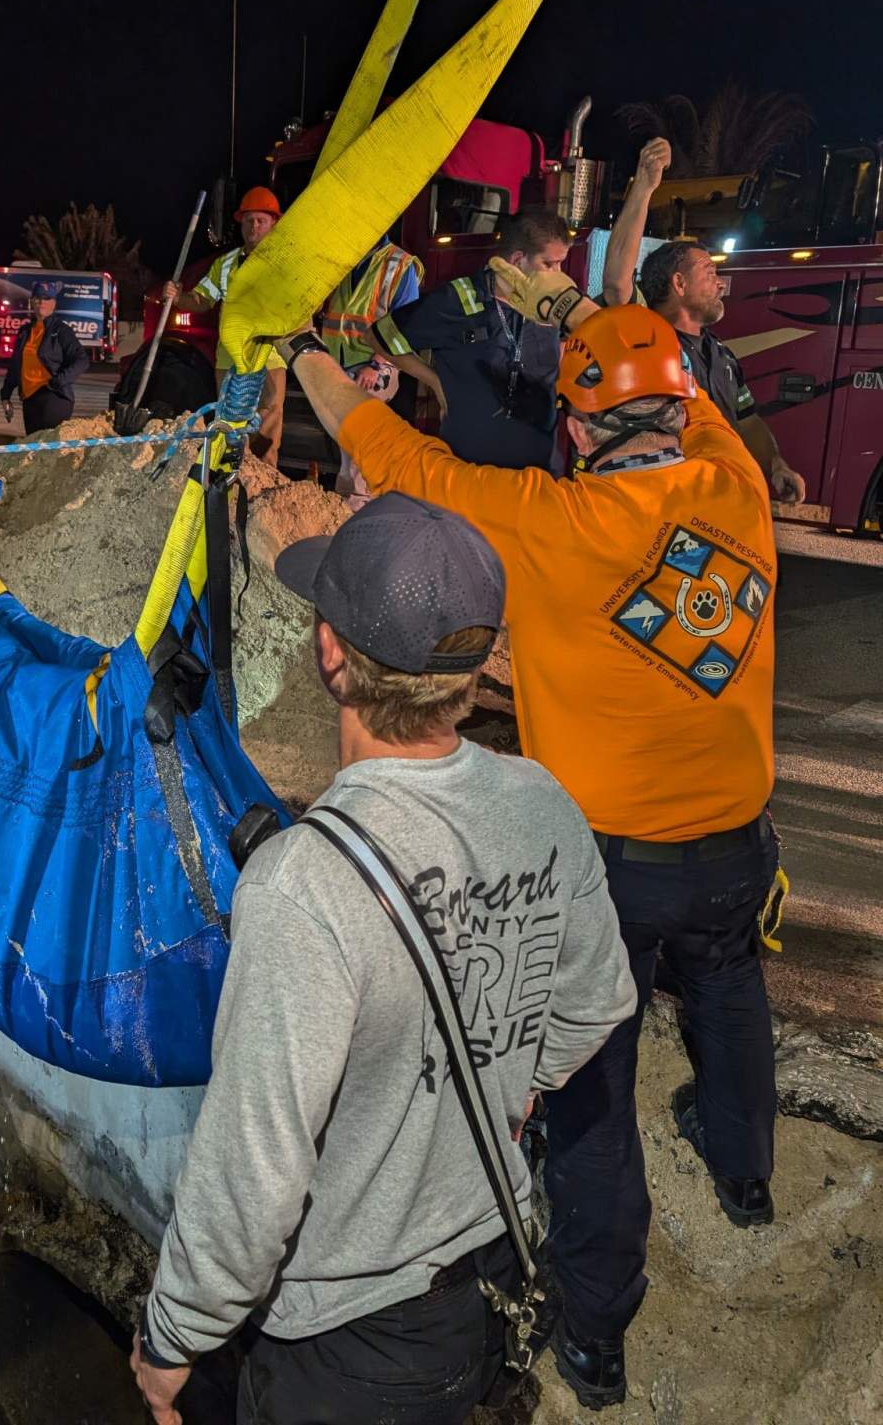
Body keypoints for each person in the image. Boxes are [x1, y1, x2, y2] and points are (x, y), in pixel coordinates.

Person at [279, 288, 780, 1411]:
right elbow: (690, 396)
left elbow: (388, 452)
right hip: (738, 842)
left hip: (614, 867)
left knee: (594, 1097)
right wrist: (622, 324)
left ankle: (596, 1336)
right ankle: (748, 1177)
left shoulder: (547, 521)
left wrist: (308, 356)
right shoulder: (735, 483)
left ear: (578, 424)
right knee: (731, 994)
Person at [131, 491, 636, 1425]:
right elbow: (600, 998)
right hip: (492, 1285)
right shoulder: (543, 803)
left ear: (331, 656)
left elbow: (252, 1177)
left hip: (347, 1341)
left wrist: (172, 1339)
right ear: (477, 665)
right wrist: (512, 1081)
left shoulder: (301, 886)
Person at [603, 137, 805, 502]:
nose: (720, 282)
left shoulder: (723, 357)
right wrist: (645, 187)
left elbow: (748, 421)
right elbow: (618, 285)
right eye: (708, 271)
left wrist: (775, 464)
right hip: (662, 500)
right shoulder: (646, 338)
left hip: (715, 502)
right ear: (678, 283)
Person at [369, 206, 571, 471]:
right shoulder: (458, 299)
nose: (559, 274)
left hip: (537, 476)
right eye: (549, 264)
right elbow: (377, 337)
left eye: (561, 263)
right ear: (518, 260)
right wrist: (435, 381)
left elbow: (568, 346)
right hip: (468, 474)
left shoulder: (556, 301)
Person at [163, 186, 287, 465]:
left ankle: (262, 481)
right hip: (229, 357)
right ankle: (228, 475)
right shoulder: (225, 264)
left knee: (267, 422)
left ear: (274, 224)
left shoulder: (284, 265)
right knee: (229, 421)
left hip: (269, 357)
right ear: (240, 224)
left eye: (261, 221)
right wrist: (178, 297)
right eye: (248, 220)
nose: (254, 226)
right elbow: (202, 300)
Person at [319, 235, 438, 508]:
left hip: (373, 367)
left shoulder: (400, 265)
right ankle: (351, 501)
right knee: (348, 441)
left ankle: (358, 504)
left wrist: (377, 364)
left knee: (359, 440)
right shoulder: (347, 257)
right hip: (340, 362)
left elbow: (404, 325)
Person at [0, 280, 90, 435]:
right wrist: (5, 395)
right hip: (29, 399)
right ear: (32, 301)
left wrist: (59, 381)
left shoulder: (61, 330)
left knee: (47, 448)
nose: (42, 302)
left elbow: (82, 360)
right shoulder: (25, 332)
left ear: (54, 303)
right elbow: (15, 366)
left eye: (47, 298)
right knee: (33, 449)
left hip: (53, 397)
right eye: (38, 297)